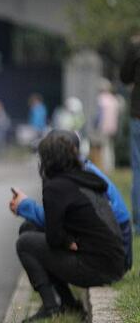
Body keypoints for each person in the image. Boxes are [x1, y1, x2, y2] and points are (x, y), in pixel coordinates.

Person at [11, 130, 125, 322]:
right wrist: (69, 240)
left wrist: (65, 241)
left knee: (25, 243)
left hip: (97, 268)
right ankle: (67, 302)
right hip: (113, 261)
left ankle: (51, 306)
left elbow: (54, 239)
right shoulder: (83, 176)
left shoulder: (55, 187)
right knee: (30, 228)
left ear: (47, 159)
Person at [121, 47, 140, 234]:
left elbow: (124, 77)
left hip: (138, 115)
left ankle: (139, 224)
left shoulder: (136, 49)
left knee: (139, 170)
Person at [93, 80, 120, 172]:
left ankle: (105, 166)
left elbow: (98, 115)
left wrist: (95, 125)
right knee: (111, 147)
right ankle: (111, 165)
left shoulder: (101, 99)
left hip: (103, 126)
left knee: (104, 147)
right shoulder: (114, 100)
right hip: (113, 127)